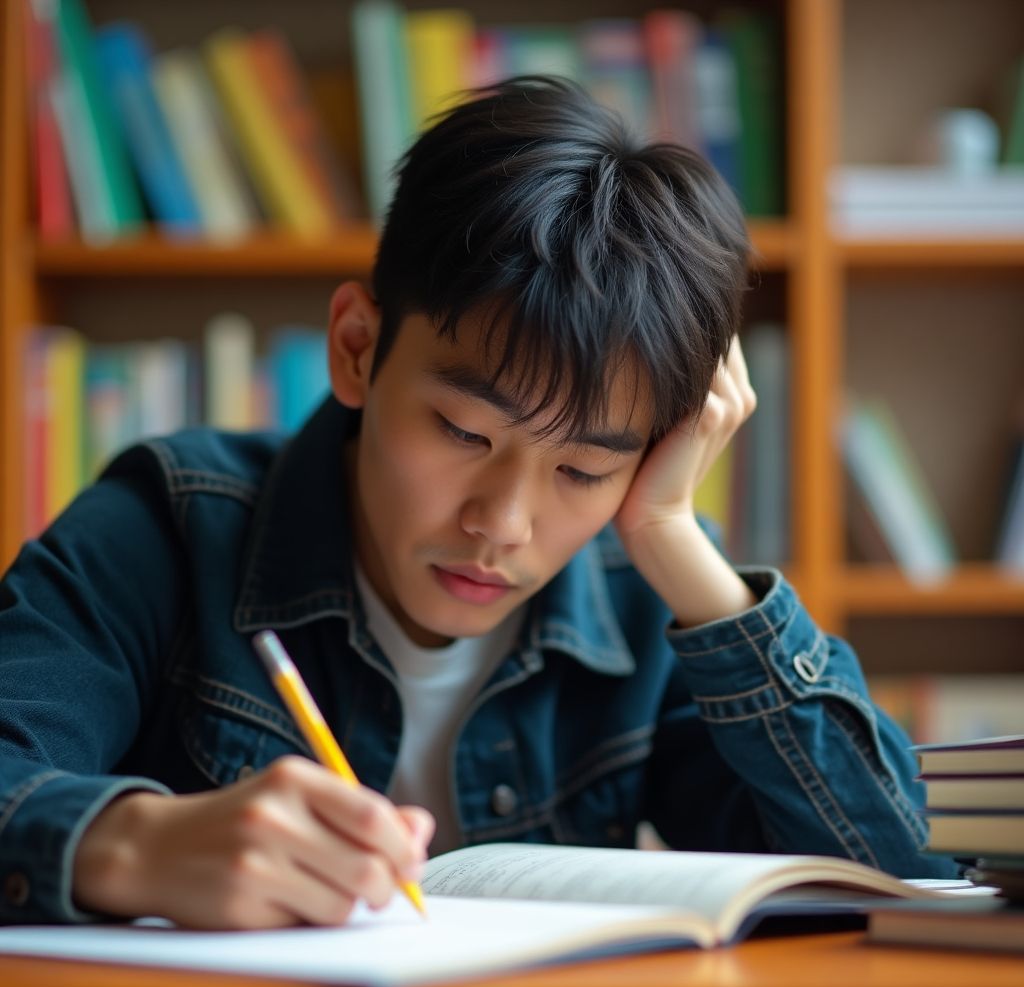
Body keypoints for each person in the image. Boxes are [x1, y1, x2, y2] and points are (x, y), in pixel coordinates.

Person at [0, 77, 956, 930]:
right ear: (357, 347)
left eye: (583, 472)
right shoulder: (164, 525)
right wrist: (133, 846)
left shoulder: (645, 591)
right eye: (463, 433)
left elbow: (897, 880)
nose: (503, 526)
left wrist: (671, 536)